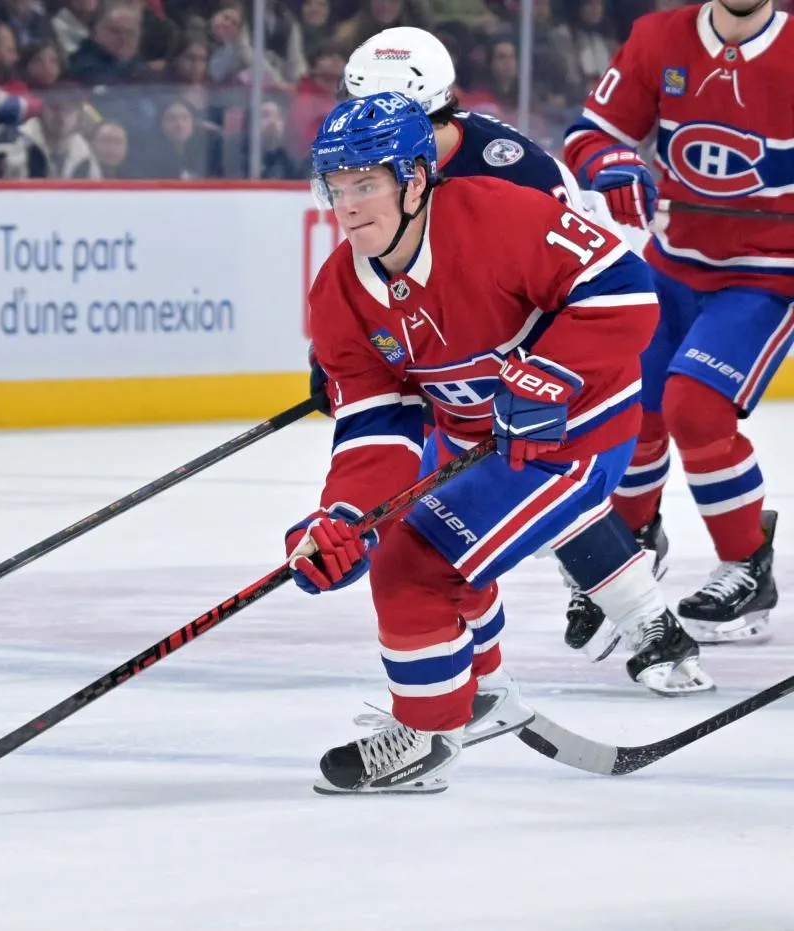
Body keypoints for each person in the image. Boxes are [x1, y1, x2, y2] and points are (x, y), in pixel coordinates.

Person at [290, 90, 682, 794]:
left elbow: (626, 291)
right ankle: (477, 692)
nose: (346, 206)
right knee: (405, 540)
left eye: (365, 184)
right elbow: (378, 426)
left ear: (415, 179)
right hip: (480, 436)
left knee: (414, 565)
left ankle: (429, 734)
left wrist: (551, 377)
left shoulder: (499, 214)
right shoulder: (337, 293)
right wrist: (347, 518)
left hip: (576, 433)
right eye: (336, 186)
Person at [323, 27, 710, 695]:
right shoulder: (374, 174)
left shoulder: (512, 172)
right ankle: (614, 636)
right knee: (440, 514)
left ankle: (628, 628)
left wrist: (543, 370)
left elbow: (584, 290)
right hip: (462, 374)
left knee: (496, 502)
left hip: (549, 364)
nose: (361, 133)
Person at [564, 0, 792, 644]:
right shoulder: (658, 37)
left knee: (695, 408)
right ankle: (628, 558)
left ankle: (749, 565)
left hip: (768, 275)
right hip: (673, 266)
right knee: (630, 408)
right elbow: (591, 134)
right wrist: (611, 164)